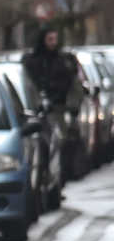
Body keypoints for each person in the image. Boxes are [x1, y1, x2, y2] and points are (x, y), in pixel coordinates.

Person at [22, 28, 84, 176]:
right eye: (50, 39)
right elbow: (28, 85)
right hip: (37, 111)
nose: (53, 43)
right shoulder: (32, 61)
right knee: (43, 144)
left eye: (55, 39)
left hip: (58, 108)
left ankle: (57, 176)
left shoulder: (64, 60)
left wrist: (72, 106)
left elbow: (75, 85)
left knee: (60, 143)